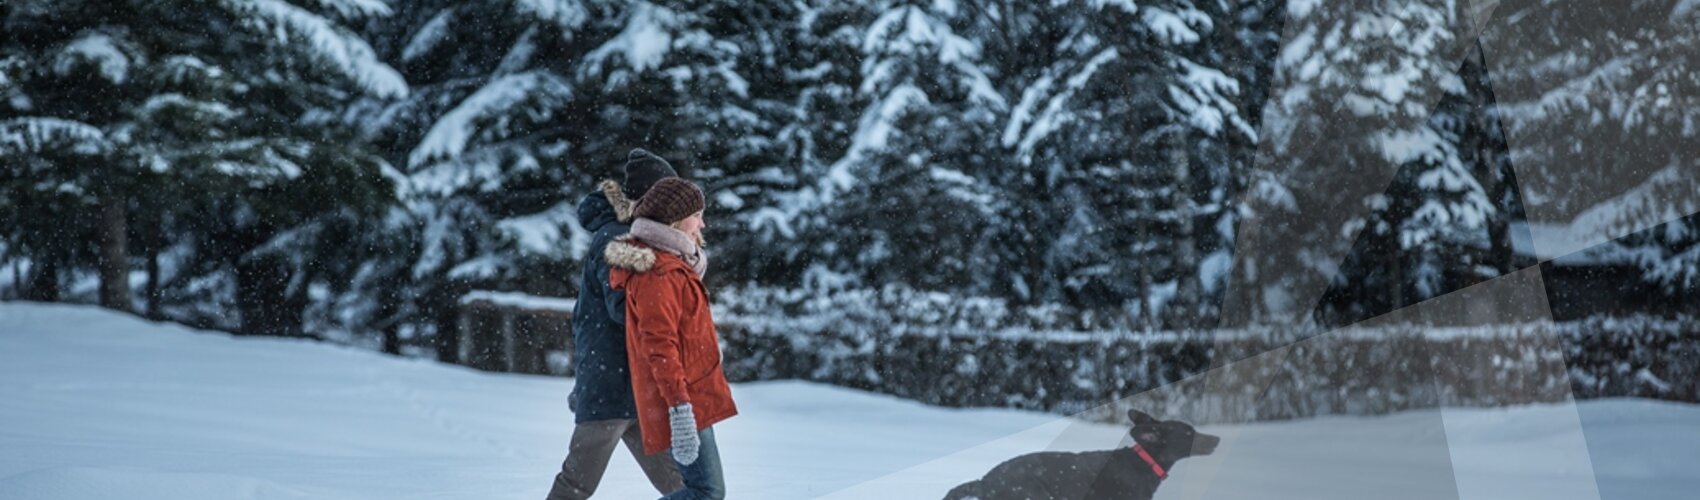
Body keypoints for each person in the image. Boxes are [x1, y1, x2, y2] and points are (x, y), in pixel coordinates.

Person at [546, 149, 684, 500]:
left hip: (633, 385)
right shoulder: (618, 239)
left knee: (683, 485)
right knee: (575, 485)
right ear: (647, 199)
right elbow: (625, 308)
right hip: (610, 384)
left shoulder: (631, 235)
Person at [605, 177, 738, 500]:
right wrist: (680, 408)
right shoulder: (658, 273)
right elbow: (659, 346)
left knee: (704, 490)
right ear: (675, 220)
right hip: (682, 397)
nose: (702, 223)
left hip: (694, 391)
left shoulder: (675, 264)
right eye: (696, 215)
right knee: (706, 493)